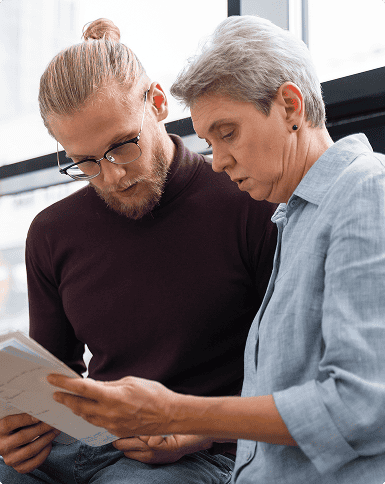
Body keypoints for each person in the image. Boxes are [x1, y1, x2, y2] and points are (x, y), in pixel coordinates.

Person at [47, 14, 385, 484]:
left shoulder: (367, 191)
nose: (219, 161)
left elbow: (364, 406)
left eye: (228, 133)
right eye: (208, 141)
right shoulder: (297, 218)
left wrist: (179, 414)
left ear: (291, 106)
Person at [0, 18, 277, 484]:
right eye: (84, 162)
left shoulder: (247, 201)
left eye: (122, 146)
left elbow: (291, 373)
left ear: (159, 103)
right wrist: (18, 428)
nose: (112, 176)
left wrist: (201, 428)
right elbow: (55, 380)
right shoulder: (51, 233)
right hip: (89, 442)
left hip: (204, 450)